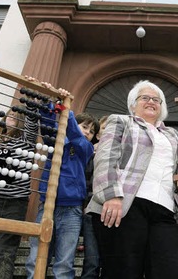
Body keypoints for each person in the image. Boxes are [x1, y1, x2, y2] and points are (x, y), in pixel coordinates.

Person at [86, 80, 178, 279]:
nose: (151, 102)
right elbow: (105, 158)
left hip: (165, 209)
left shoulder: (175, 135)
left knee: (172, 271)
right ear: (133, 104)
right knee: (123, 272)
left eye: (156, 99)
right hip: (125, 205)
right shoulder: (121, 122)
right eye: (145, 98)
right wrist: (111, 195)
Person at [0, 83, 53, 279]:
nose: (11, 118)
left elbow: (33, 122)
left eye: (16, 116)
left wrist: (32, 98)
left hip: (16, 203)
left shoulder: (27, 140)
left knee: (5, 253)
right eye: (9, 115)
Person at [25, 111, 97, 279]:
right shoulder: (56, 142)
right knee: (35, 258)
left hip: (71, 210)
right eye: (84, 127)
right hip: (47, 205)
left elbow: (76, 136)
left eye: (92, 131)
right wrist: (49, 107)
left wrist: (67, 112)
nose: (87, 132)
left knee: (64, 262)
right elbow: (49, 127)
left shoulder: (86, 148)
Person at [80, 115, 107, 279]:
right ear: (98, 134)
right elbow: (84, 180)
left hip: (116, 214)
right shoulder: (90, 152)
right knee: (92, 260)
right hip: (92, 209)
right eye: (104, 128)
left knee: (112, 261)